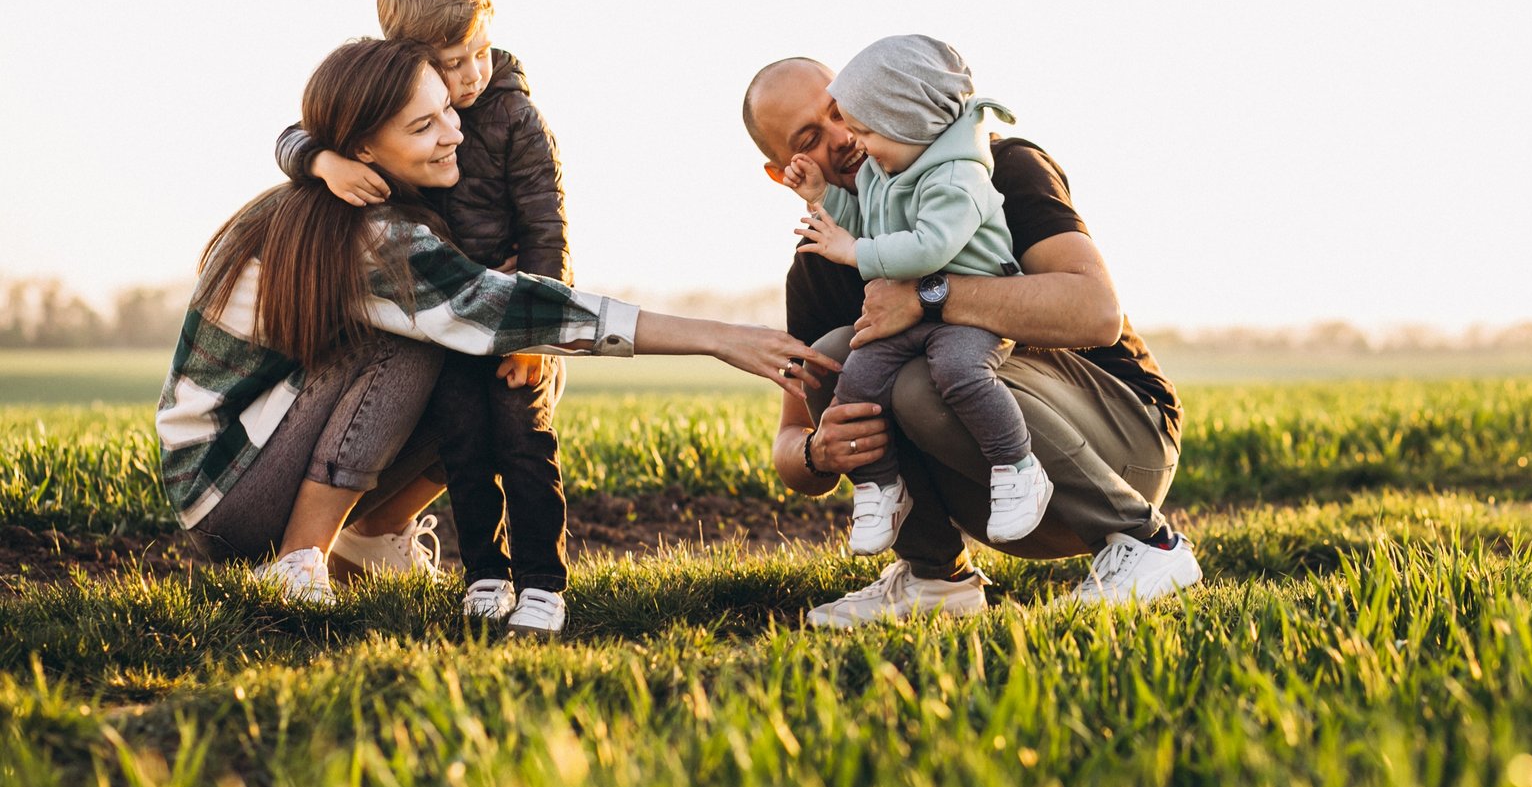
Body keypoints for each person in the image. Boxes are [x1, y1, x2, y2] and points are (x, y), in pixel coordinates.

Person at [159, 38, 832, 629]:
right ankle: (299, 562)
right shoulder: (368, 235)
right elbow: (508, 310)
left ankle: (369, 540)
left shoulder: (350, 194)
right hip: (227, 484)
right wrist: (719, 338)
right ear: (363, 148)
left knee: (510, 351)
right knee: (436, 343)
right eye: (423, 126)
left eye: (447, 110)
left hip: (257, 458)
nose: (454, 132)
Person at [741, 55, 1200, 627]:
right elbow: (791, 444)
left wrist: (930, 293)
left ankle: (1144, 542)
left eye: (841, 112)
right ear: (782, 170)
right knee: (836, 354)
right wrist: (819, 452)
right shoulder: (818, 267)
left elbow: (1096, 312)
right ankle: (935, 578)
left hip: (1123, 448)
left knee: (922, 372)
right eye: (811, 138)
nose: (843, 138)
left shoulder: (991, 167)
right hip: (995, 493)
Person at [273, 0, 579, 634]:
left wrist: (538, 323)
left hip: (506, 316)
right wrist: (323, 160)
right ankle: (485, 575)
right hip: (433, 321)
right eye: (451, 62)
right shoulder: (387, 101)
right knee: (465, 443)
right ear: (407, 56)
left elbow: (545, 222)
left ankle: (542, 583)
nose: (472, 74)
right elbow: (297, 131)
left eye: (480, 50)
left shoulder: (515, 119)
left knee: (523, 440)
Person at [784, 36, 1053, 556]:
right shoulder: (884, 173)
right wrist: (822, 197)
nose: (852, 141)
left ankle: (1017, 466)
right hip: (913, 327)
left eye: (860, 127)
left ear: (907, 122)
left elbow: (929, 247)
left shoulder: (962, 174)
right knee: (855, 374)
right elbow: (869, 221)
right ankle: (882, 487)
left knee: (955, 373)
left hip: (974, 321)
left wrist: (852, 251)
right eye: (815, 136)